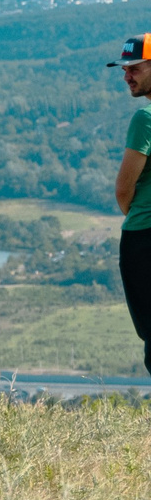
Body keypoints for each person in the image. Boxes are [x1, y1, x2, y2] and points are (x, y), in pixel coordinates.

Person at [114, 35, 151, 372]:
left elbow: (124, 190)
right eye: (124, 70)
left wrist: (138, 215)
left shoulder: (145, 118)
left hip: (144, 238)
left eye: (135, 69)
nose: (127, 76)